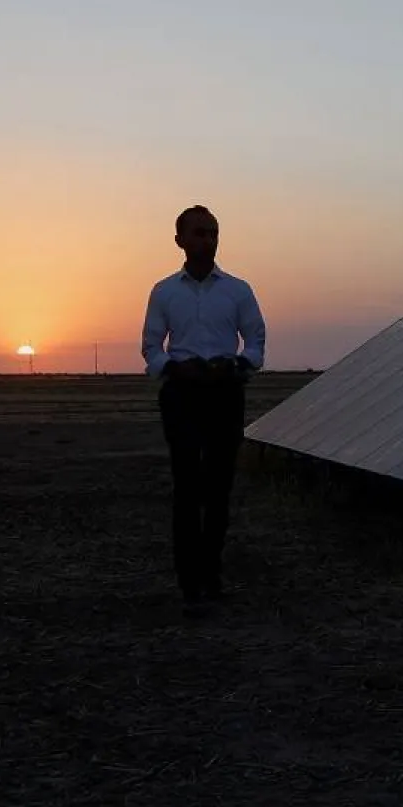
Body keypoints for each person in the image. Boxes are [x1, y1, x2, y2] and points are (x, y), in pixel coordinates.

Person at [140, 204, 267, 610]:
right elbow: (150, 346)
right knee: (186, 487)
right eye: (198, 233)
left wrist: (236, 368)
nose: (207, 240)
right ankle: (188, 581)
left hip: (225, 394)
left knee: (218, 488)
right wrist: (176, 370)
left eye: (212, 233)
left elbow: (257, 341)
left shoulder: (238, 290)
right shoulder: (164, 292)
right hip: (182, 395)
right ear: (179, 239)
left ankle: (211, 574)